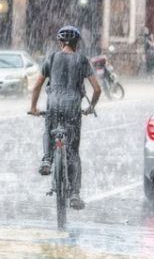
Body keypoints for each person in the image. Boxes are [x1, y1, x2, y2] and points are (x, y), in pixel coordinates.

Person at [29, 25, 102, 210]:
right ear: (77, 43)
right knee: (73, 152)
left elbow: (37, 86)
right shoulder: (82, 60)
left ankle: (47, 159)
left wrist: (33, 107)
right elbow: (97, 89)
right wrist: (90, 107)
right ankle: (75, 194)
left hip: (53, 105)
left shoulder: (52, 58)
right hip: (72, 108)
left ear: (60, 42)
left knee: (49, 130)